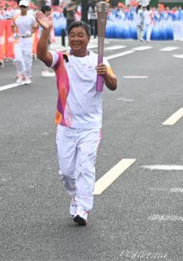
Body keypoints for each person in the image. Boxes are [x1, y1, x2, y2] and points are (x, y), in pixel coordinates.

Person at [34, 13, 117, 226]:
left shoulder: (99, 61)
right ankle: (75, 196)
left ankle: (83, 208)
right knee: (67, 173)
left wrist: (105, 74)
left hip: (90, 126)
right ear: (68, 38)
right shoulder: (63, 59)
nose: (76, 39)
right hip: (66, 125)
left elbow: (114, 84)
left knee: (85, 167)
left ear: (88, 38)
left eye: (81, 35)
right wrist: (45, 30)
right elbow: (42, 54)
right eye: (73, 35)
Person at [12, 0, 37, 84]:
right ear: (19, 7)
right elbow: (13, 26)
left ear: (27, 8)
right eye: (21, 7)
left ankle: (27, 76)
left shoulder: (31, 18)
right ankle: (20, 74)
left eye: (24, 7)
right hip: (18, 39)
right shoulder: (16, 17)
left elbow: (35, 27)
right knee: (18, 58)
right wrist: (14, 33)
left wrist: (30, 32)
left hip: (27, 39)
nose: (23, 8)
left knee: (27, 58)